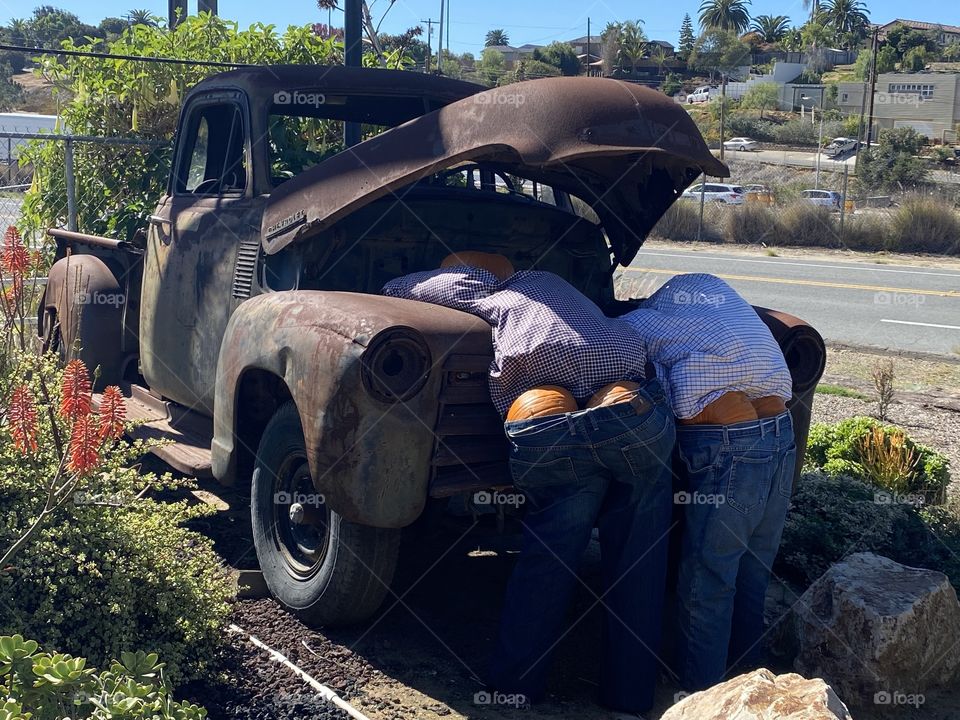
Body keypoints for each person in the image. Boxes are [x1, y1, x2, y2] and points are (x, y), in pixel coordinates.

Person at [383, 253, 675, 714]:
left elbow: (400, 288)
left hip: (549, 425)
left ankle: (513, 691)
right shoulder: (557, 282)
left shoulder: (479, 288)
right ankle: (630, 700)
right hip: (629, 415)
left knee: (548, 557)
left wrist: (436, 273)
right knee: (639, 557)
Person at [621, 273, 796, 691]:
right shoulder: (726, 304)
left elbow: (622, 357)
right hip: (781, 431)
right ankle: (750, 686)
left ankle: (703, 693)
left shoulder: (644, 322)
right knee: (753, 569)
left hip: (728, 444)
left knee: (709, 577)